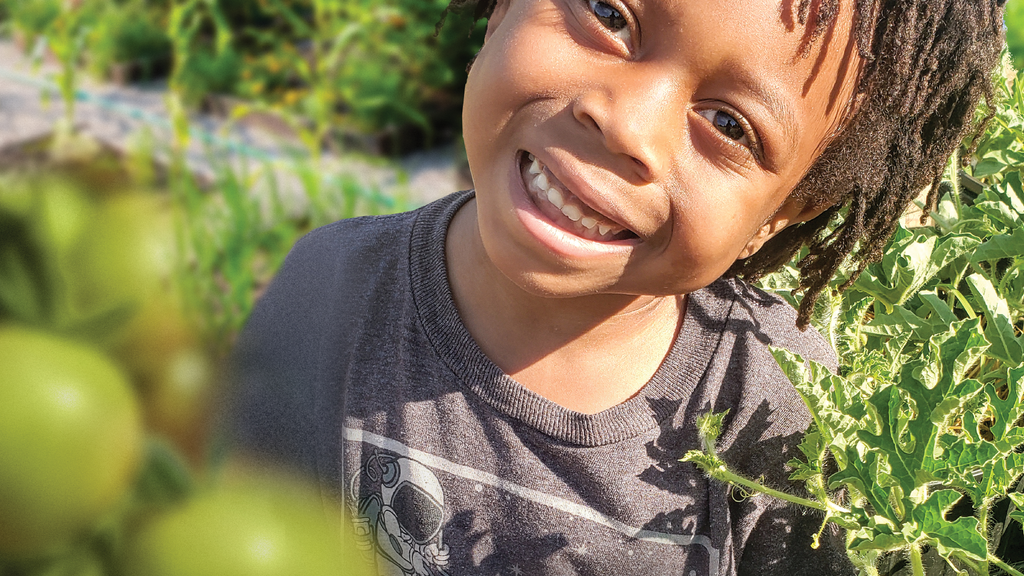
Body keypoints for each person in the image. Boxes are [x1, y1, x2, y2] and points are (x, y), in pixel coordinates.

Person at [227, 0, 1006, 574]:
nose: (628, 123)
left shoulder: (778, 406)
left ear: (783, 214)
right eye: (611, 14)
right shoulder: (323, 290)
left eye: (730, 126)